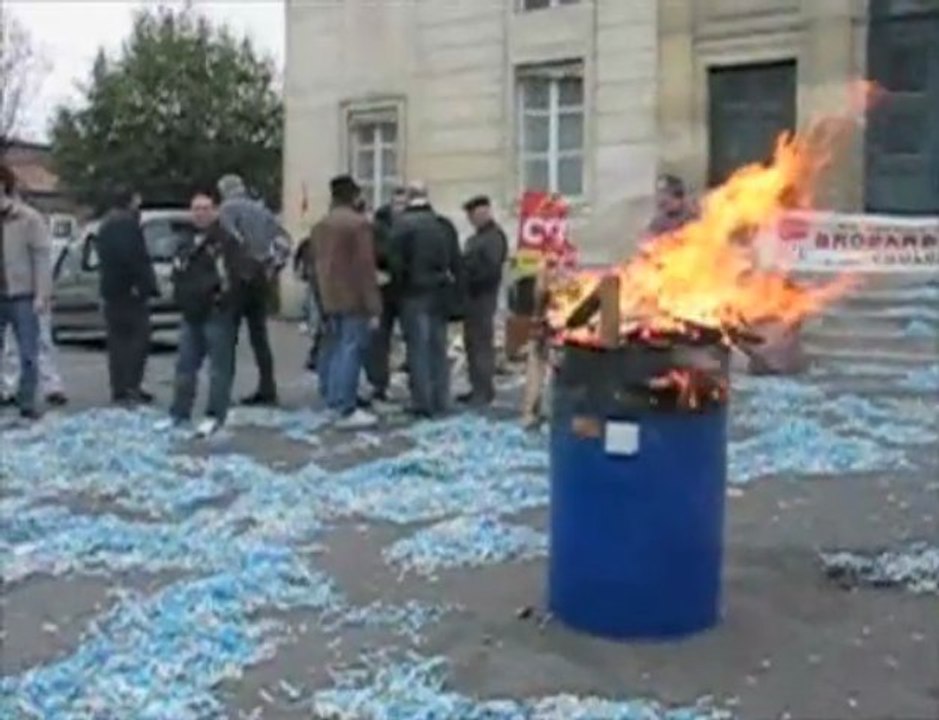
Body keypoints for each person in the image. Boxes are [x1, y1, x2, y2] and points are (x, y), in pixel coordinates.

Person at [160, 190, 244, 436]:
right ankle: (179, 412)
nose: (200, 214)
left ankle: (214, 415)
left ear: (215, 211)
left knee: (219, 369)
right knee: (184, 366)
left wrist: (222, 298)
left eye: (205, 209)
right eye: (196, 209)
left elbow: (235, 276)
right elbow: (178, 272)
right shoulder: (185, 241)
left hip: (217, 313)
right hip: (191, 313)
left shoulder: (225, 241)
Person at [307, 175, 382, 429]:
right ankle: (346, 406)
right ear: (354, 196)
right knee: (352, 349)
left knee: (334, 349)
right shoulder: (358, 225)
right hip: (353, 296)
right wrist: (374, 305)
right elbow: (365, 267)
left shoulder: (321, 225)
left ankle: (332, 399)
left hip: (329, 296)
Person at [390, 181, 462, 418]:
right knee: (438, 348)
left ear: (410, 198)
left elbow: (396, 264)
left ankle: (422, 402)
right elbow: (456, 262)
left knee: (417, 349)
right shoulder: (444, 225)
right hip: (440, 293)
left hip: (413, 293)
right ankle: (442, 399)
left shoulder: (402, 225)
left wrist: (397, 290)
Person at [217, 173, 290, 406]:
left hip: (237, 279)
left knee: (228, 338)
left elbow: (229, 240)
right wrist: (272, 267)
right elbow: (284, 242)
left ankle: (222, 391)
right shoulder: (263, 211)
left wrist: (234, 269)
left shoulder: (227, 209)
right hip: (260, 279)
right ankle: (268, 388)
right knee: (260, 338)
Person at [95, 187, 157, 405]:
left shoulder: (105, 224)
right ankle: (131, 386)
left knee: (117, 341)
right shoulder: (126, 224)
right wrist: (146, 285)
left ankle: (120, 388)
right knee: (137, 339)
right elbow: (134, 258)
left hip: (111, 290)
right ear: (130, 201)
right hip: (129, 291)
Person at [0, 163, 51, 420]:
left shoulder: (28, 218)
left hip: (22, 293)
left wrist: (42, 294)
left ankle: (27, 401)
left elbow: (42, 257)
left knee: (28, 352)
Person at [458, 194, 508, 406]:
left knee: (480, 344)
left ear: (485, 212)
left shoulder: (493, 238)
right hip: (472, 296)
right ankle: (477, 386)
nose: (471, 218)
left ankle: (484, 390)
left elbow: (490, 269)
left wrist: (469, 276)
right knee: (472, 343)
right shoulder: (477, 238)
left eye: (474, 214)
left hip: (482, 296)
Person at [364, 185, 407, 404]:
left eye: (404, 203)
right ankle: (379, 384)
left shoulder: (411, 223)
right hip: (383, 287)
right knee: (379, 338)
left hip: (404, 287)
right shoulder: (378, 226)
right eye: (397, 203)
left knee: (409, 337)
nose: (400, 208)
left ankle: (412, 382)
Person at [1, 311, 67, 407]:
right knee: (12, 342)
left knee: (43, 342)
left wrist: (44, 296)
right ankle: (11, 388)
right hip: (10, 300)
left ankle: (52, 388)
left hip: (34, 301)